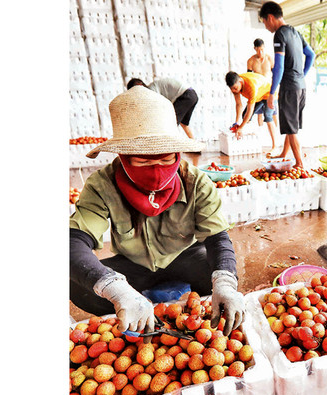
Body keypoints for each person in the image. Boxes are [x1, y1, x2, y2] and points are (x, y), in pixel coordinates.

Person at [69, 86, 245, 337]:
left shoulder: (196, 182)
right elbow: (74, 241)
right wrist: (116, 289)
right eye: (142, 161)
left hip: (184, 257)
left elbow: (218, 238)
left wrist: (225, 284)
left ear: (177, 154)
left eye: (165, 160)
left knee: (223, 271)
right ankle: (132, 303)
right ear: (123, 156)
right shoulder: (102, 185)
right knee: (77, 284)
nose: (156, 170)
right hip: (133, 266)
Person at [259, 1, 315, 168]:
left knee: (291, 129)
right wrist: (301, 75)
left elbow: (279, 67)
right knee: (290, 124)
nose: (266, 27)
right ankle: (284, 154)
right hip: (300, 87)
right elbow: (311, 55)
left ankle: (299, 163)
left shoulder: (280, 34)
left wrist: (272, 93)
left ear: (270, 17)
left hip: (289, 88)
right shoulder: (295, 32)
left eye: (264, 22)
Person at [126, 78, 198, 140]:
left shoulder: (151, 91)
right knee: (183, 123)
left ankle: (173, 150)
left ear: (140, 86)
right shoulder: (152, 88)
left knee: (171, 123)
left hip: (185, 95)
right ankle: (195, 146)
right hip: (192, 95)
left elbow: (158, 109)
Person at [225, 71, 277, 154]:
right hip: (258, 96)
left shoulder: (251, 87)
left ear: (240, 82)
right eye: (232, 89)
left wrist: (241, 127)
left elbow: (250, 111)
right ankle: (247, 141)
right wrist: (237, 123)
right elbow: (239, 104)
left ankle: (275, 146)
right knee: (244, 116)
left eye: (235, 88)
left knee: (268, 116)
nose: (234, 90)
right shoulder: (235, 85)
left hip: (269, 94)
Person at [246, 38, 278, 128]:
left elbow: (276, 74)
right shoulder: (251, 61)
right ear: (255, 49)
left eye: (262, 50)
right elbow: (249, 78)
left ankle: (277, 134)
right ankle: (260, 133)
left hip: (269, 90)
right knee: (258, 114)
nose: (260, 52)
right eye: (258, 50)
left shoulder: (269, 59)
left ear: (264, 47)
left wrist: (277, 88)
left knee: (272, 113)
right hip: (258, 91)